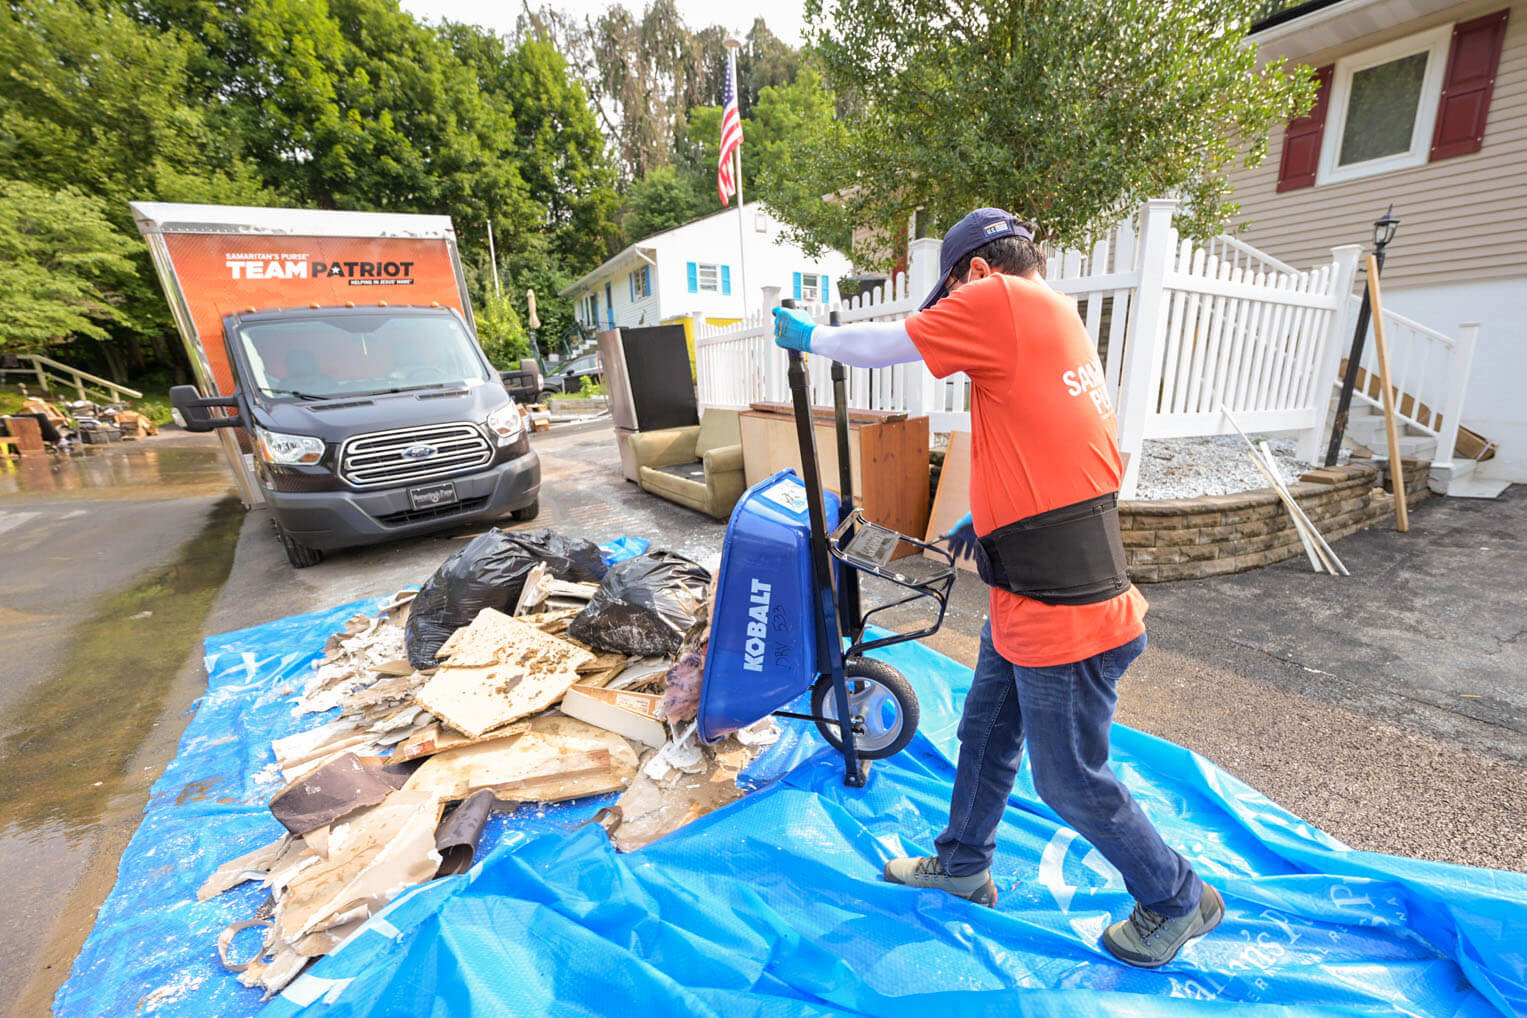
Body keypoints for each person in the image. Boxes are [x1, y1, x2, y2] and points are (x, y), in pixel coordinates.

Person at [771, 208, 1223, 969]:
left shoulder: (1001, 297)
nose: (949, 315)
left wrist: (810, 337)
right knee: (982, 735)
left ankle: (1176, 898)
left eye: (947, 297)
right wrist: (997, 514)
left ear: (974, 273)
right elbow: (1072, 443)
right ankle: (964, 864)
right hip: (1024, 602)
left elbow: (887, 346)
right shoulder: (1054, 323)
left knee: (1069, 779)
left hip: (1067, 618)